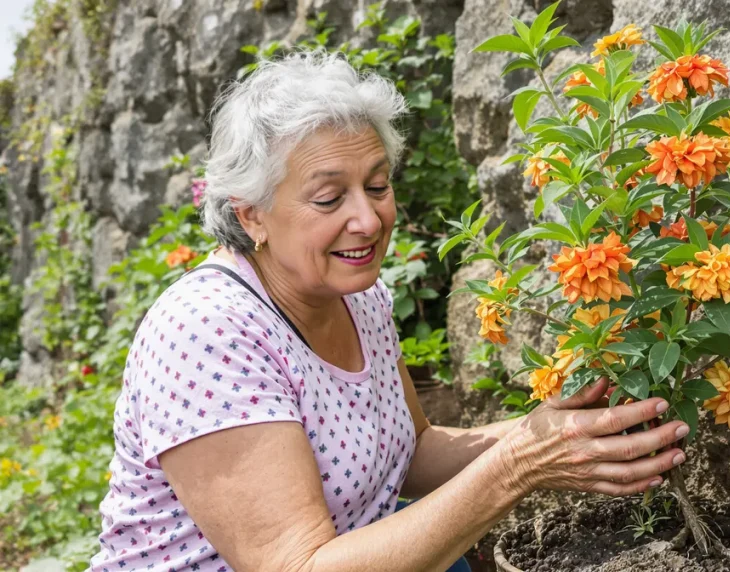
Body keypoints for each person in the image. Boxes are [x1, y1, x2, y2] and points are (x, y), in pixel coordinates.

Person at [90, 49, 688, 572]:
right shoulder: (208, 329)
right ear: (251, 215)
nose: (369, 220)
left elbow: (410, 454)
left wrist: (558, 430)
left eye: (377, 186)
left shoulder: (358, 295)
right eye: (329, 197)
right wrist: (517, 465)